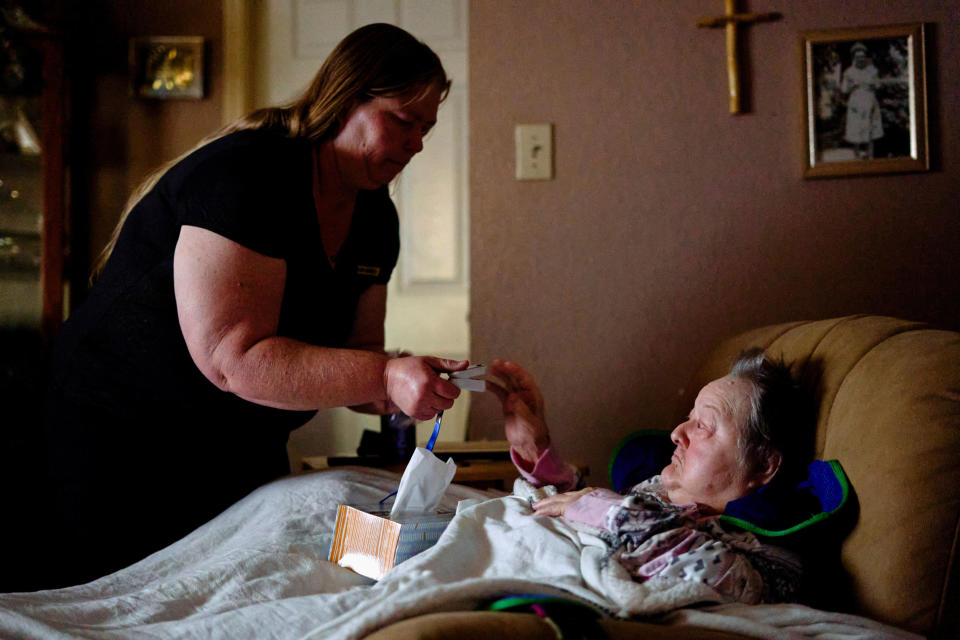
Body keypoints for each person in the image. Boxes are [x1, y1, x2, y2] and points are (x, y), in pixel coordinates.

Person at [38, 23, 467, 588]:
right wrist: (385, 376)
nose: (415, 143)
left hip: (240, 449)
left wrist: (413, 383)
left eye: (426, 129)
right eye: (401, 121)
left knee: (245, 597)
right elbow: (233, 359)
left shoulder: (375, 218)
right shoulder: (248, 174)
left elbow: (359, 357)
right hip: (119, 440)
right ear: (345, 99)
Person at [489, 349, 820, 605]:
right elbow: (581, 507)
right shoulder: (659, 493)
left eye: (703, 426)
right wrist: (534, 446)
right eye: (687, 418)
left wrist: (601, 507)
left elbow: (717, 574)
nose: (676, 433)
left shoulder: (769, 551)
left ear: (762, 466)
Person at [841, 42, 884, 159]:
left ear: (866, 58)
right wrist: (852, 86)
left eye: (863, 57)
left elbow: (879, 85)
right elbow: (844, 89)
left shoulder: (872, 70)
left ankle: (871, 156)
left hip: (869, 102)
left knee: (870, 130)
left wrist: (873, 84)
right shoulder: (849, 72)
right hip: (856, 103)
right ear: (854, 58)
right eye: (858, 57)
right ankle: (857, 157)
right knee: (856, 130)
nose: (861, 59)